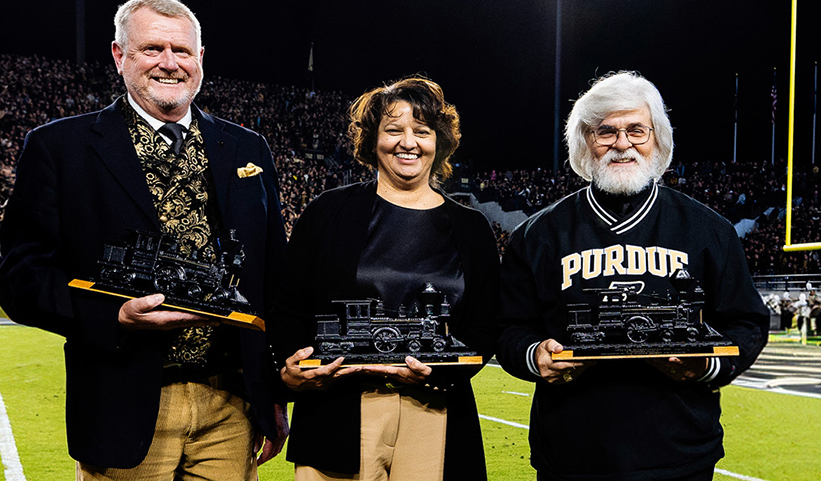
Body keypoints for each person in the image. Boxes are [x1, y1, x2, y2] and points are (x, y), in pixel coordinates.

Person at [0, 0, 288, 480]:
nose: (170, 64)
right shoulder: (59, 146)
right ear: (119, 55)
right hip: (124, 400)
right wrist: (112, 315)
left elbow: (273, 273)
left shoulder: (246, 146)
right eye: (153, 48)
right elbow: (21, 277)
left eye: (182, 50)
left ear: (200, 58)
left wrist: (272, 392)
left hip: (231, 404)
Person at [496, 71, 769, 481]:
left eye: (636, 130)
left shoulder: (709, 230)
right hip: (570, 454)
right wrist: (534, 356)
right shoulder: (538, 234)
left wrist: (706, 366)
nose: (622, 144)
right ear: (586, 141)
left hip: (680, 454)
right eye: (606, 131)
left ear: (658, 138)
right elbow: (507, 328)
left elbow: (747, 322)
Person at [269, 77, 500, 480]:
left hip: (435, 408)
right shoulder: (328, 211)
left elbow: (486, 324)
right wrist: (293, 364)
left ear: (439, 142)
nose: (407, 142)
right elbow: (289, 302)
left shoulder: (473, 228)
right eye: (393, 130)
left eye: (422, 132)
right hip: (338, 409)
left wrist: (441, 371)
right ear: (372, 141)